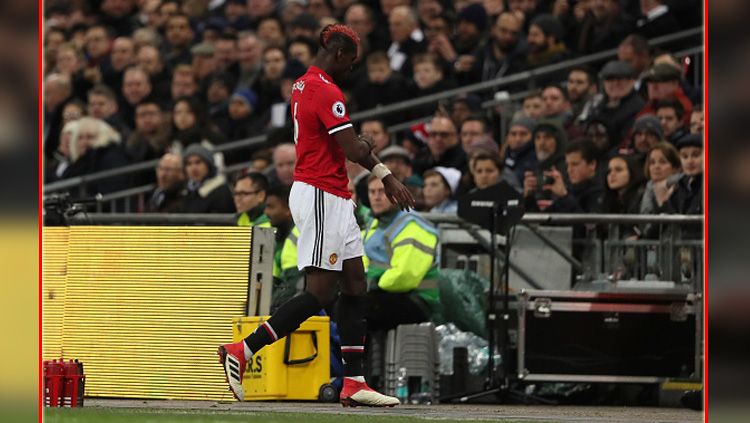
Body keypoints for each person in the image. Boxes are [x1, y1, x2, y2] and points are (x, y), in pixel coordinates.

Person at [218, 24, 414, 407]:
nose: (352, 69)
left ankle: (354, 382)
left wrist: (382, 172)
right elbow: (353, 148)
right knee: (320, 292)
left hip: (335, 195)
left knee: (356, 284)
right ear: (338, 54)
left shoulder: (304, 85)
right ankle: (243, 350)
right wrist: (373, 153)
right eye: (352, 61)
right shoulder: (326, 90)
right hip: (321, 193)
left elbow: (344, 146)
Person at [362, 175, 440, 331]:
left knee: (358, 309)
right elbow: (364, 263)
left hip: (417, 299)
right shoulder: (375, 224)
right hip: (385, 294)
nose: (376, 197)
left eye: (382, 192)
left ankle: (361, 356)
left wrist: (371, 284)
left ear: (397, 194)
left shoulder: (412, 226)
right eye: (372, 192)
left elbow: (404, 276)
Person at [179, 144, 235, 213]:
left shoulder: (221, 190)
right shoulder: (185, 191)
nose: (193, 168)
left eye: (198, 162)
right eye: (189, 164)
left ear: (208, 165)